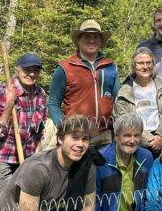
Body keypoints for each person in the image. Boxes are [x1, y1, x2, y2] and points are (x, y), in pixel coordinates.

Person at [0, 52, 47, 206]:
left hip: (25, 161)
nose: (32, 74)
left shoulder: (40, 94)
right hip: (0, 161)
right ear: (17, 71)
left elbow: (38, 133)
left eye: (36, 70)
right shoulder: (3, 91)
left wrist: (39, 162)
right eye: (27, 70)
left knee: (26, 210)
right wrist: (9, 105)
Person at [48, 20, 120, 150]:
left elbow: (118, 101)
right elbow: (53, 102)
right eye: (87, 36)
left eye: (95, 37)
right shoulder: (65, 68)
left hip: (105, 137)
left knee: (104, 170)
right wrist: (63, 128)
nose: (91, 40)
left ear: (101, 41)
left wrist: (118, 130)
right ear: (78, 40)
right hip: (76, 138)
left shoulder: (111, 67)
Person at [113, 47, 162, 157]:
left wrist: (161, 136)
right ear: (134, 66)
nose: (145, 67)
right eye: (140, 63)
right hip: (136, 145)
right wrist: (149, 140)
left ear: (153, 64)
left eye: (148, 63)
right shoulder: (125, 92)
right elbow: (121, 120)